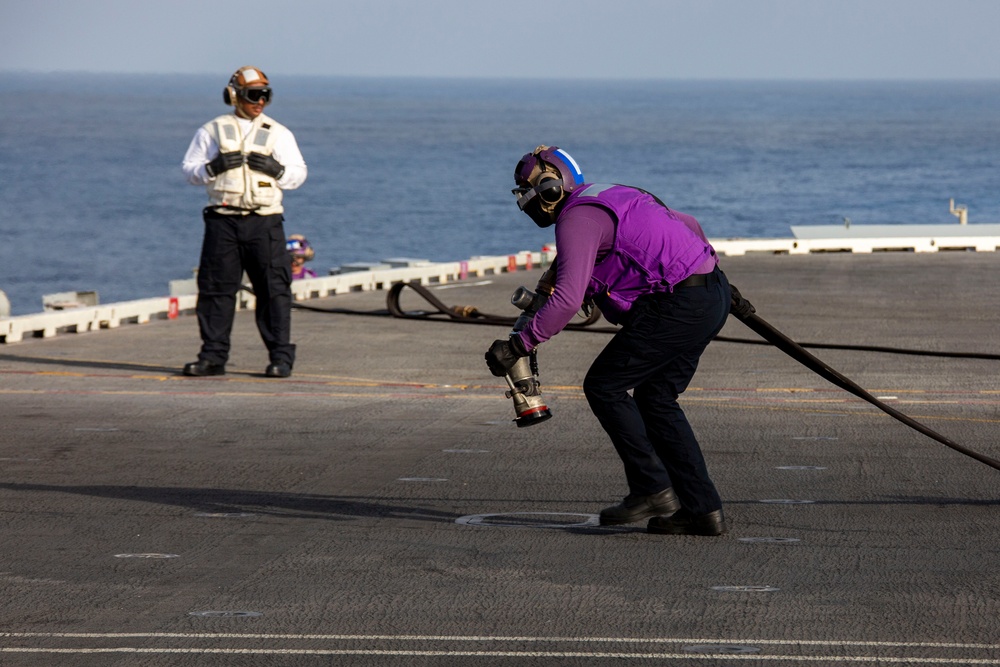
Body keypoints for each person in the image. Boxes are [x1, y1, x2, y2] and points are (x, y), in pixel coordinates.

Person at [485, 146, 731, 536]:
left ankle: (652, 489)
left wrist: (520, 345)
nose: (524, 200)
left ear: (550, 188)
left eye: (525, 190)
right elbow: (690, 224)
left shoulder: (575, 220)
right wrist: (724, 290)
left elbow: (566, 300)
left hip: (679, 305)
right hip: (712, 292)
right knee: (657, 399)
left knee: (604, 386)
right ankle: (702, 511)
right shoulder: (607, 195)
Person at [180, 66, 307, 378]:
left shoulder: (278, 133)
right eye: (254, 95)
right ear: (234, 95)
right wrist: (213, 168)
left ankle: (280, 357)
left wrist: (277, 170)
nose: (260, 101)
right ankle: (212, 357)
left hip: (264, 222)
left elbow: (299, 173)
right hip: (223, 222)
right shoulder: (212, 131)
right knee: (215, 290)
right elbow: (189, 170)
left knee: (274, 290)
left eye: (265, 96)